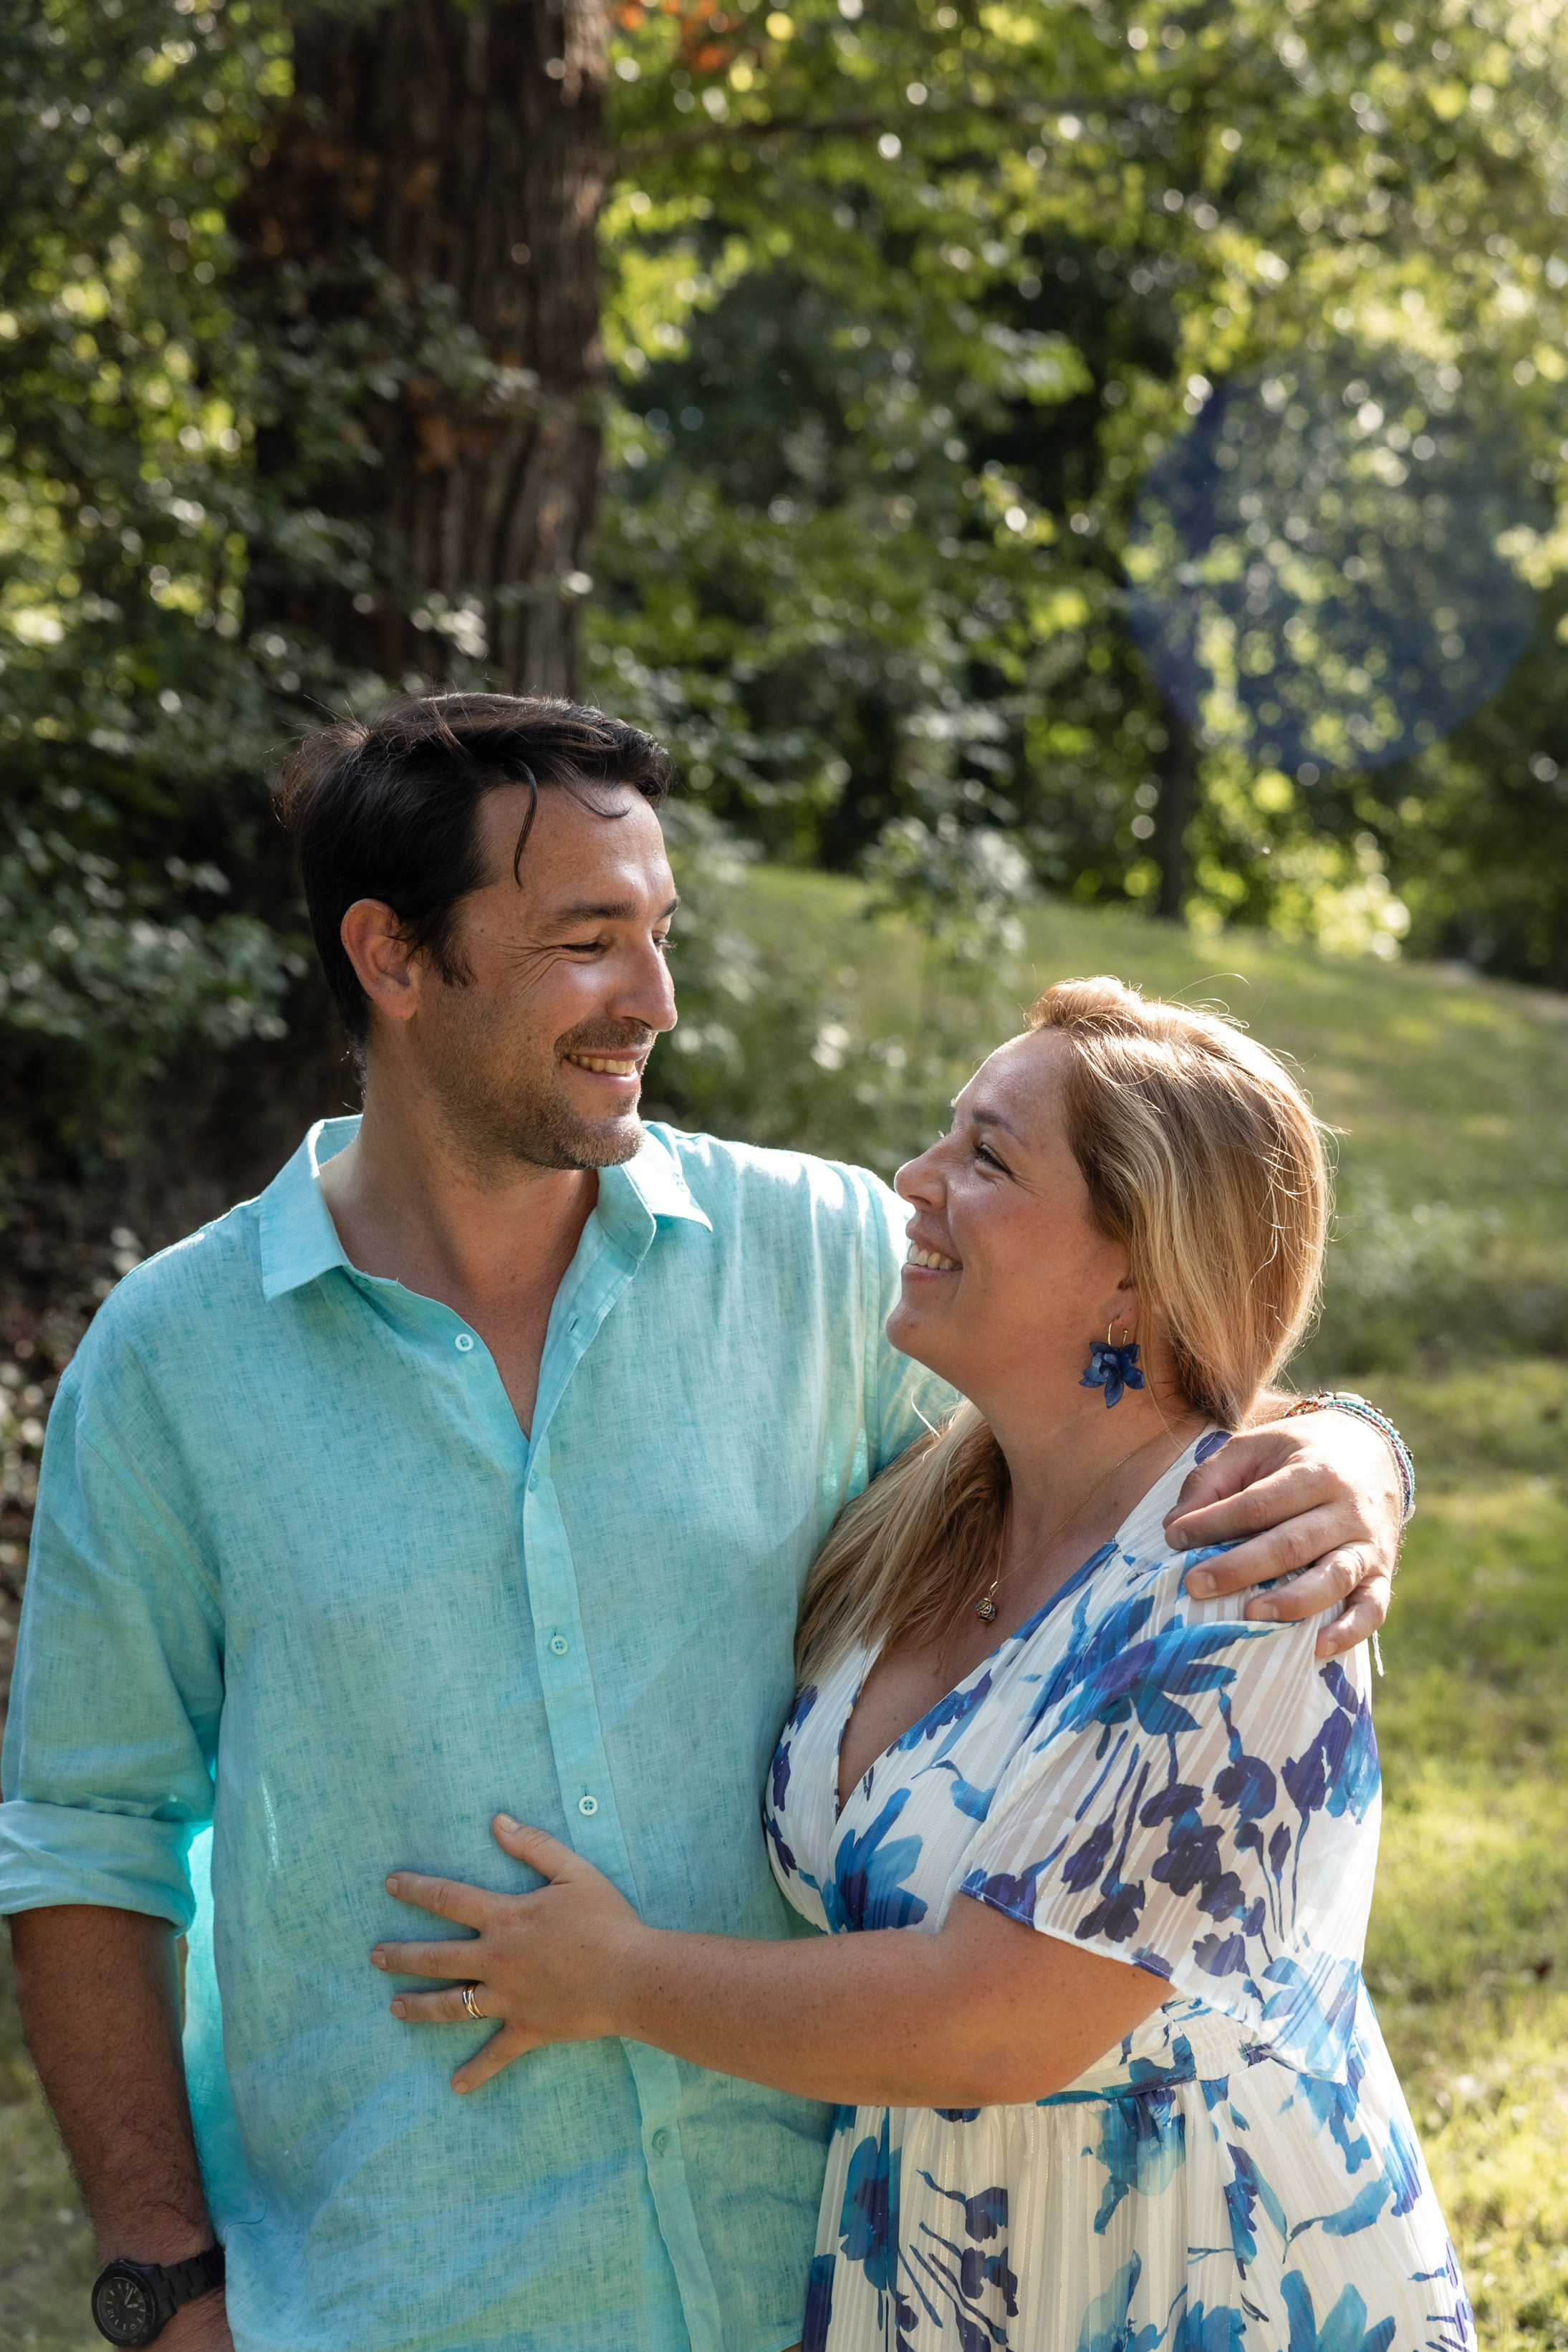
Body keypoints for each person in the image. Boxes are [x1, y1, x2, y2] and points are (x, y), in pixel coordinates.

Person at [1, 696, 1407, 2352]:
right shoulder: (172, 1366)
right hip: (409, 2294)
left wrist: (1353, 1451)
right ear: (393, 955)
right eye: (588, 942)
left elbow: (1126, 1387)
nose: (655, 1000)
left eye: (660, 933)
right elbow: (88, 1837)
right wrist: (165, 2282)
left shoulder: (817, 1257)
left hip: (827, 2286)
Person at [365, 979, 1466, 2352]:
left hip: (1184, 2284)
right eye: (946, 1136)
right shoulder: (924, 1509)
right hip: (935, 2274)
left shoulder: (1244, 1594)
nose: (917, 1178)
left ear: (1137, 1264)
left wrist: (617, 1977)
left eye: (988, 1157)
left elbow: (994, 2024)